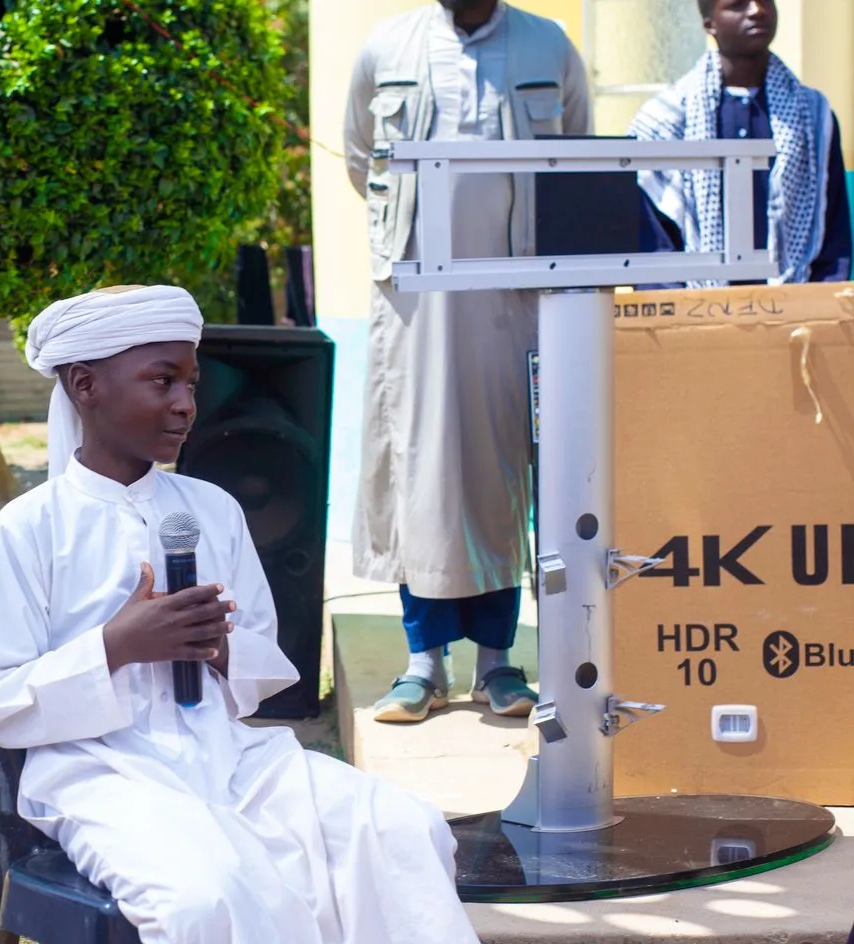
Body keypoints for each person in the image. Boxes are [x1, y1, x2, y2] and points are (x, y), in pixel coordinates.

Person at [0, 285, 481, 944]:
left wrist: (220, 649)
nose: (185, 403)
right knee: (202, 900)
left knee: (403, 829)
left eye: (191, 382)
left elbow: (264, 661)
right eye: (162, 380)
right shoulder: (30, 529)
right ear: (86, 385)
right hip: (100, 773)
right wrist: (116, 645)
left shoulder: (213, 509)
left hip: (230, 758)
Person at [344, 0, 591, 724]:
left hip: (514, 299)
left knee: (500, 473)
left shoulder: (550, 45)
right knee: (422, 474)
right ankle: (422, 665)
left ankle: (497, 664)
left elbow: (576, 153)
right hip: (418, 301)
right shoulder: (385, 47)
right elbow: (364, 158)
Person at [629, 0, 852, 286]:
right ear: (709, 23)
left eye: (765, 1)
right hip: (695, 316)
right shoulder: (664, 122)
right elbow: (654, 251)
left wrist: (817, 313)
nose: (757, 10)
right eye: (738, 4)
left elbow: (832, 238)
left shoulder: (813, 116)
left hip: (796, 316)